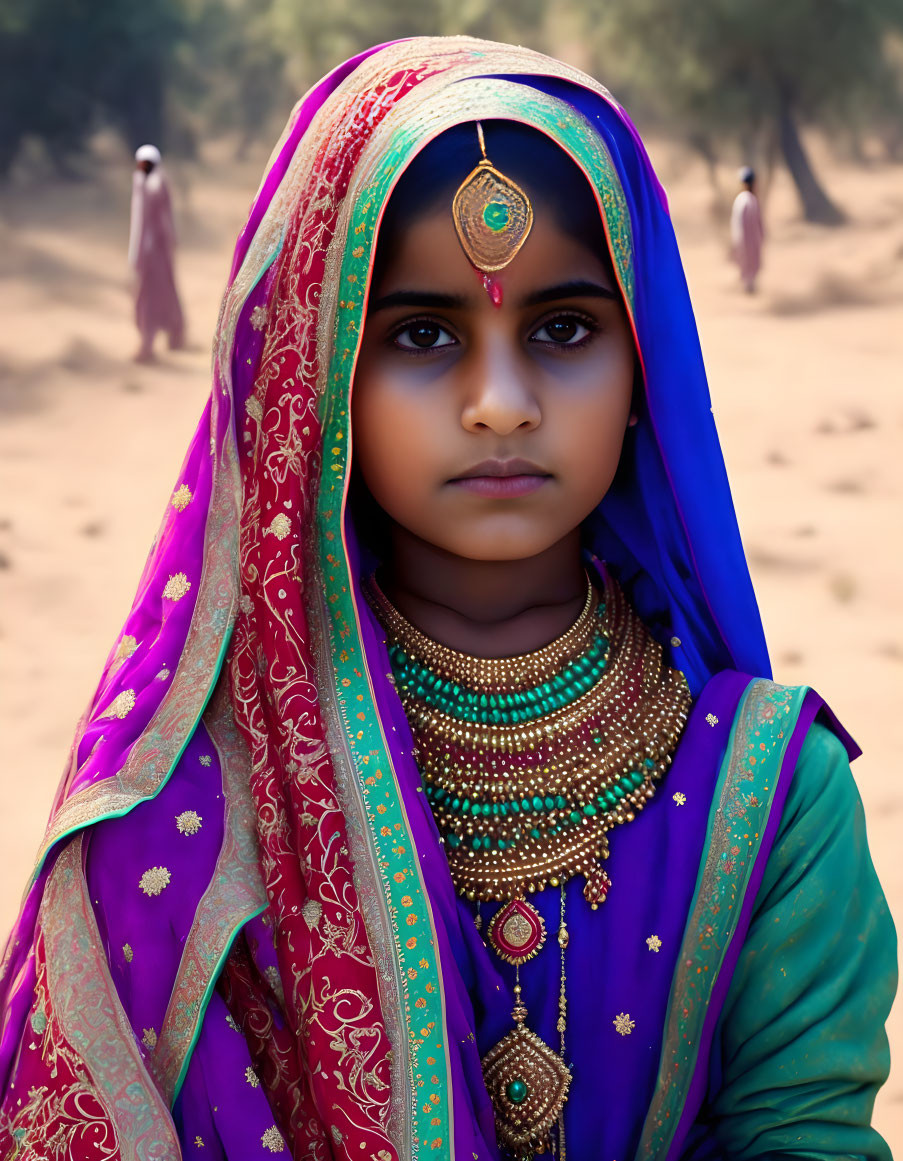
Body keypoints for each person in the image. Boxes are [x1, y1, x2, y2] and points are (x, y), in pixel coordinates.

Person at [0, 39, 894, 1161]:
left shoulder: (770, 803)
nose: (502, 404)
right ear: (318, 381)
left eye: (564, 329)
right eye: (423, 335)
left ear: (643, 370)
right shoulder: (189, 809)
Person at [128, 143, 185, 362]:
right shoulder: (146, 181)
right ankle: (169, 335)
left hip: (154, 252)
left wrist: (146, 250)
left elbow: (160, 222)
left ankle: (149, 342)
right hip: (151, 250)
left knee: (152, 293)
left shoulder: (153, 184)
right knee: (158, 291)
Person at [730, 165, 765, 294]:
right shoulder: (750, 200)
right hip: (750, 243)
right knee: (750, 271)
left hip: (744, 242)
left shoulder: (742, 200)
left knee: (747, 271)